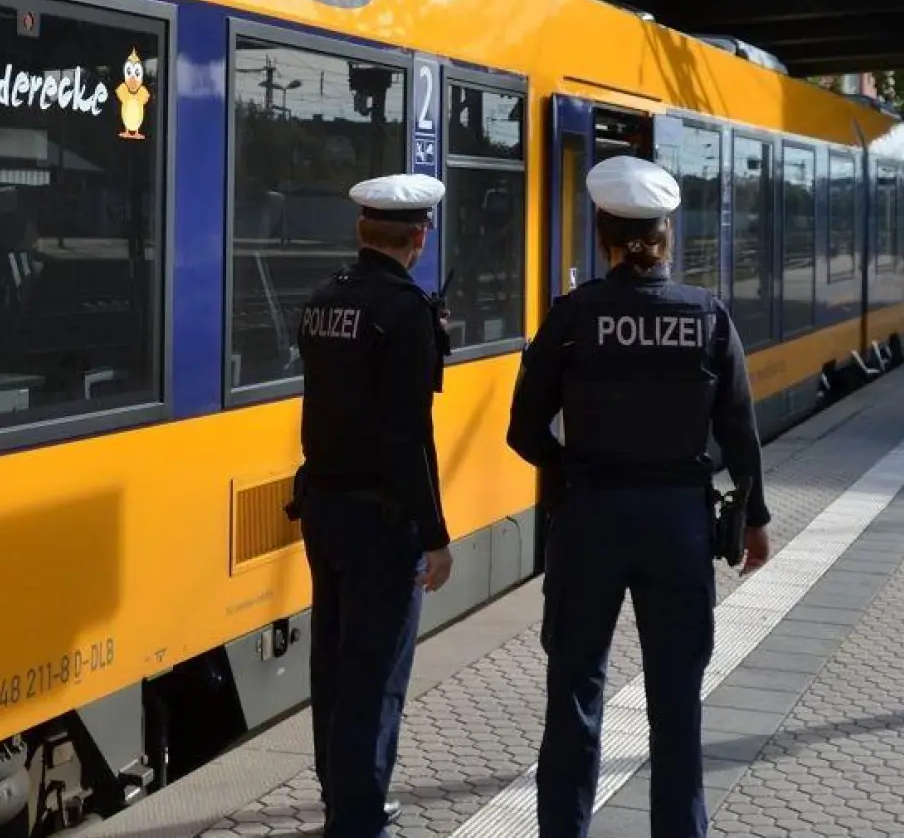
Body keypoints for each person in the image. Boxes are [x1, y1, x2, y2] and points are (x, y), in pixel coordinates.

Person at [506, 154, 773, 838]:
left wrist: (571, 470)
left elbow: (523, 430)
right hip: (679, 525)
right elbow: (738, 429)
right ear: (665, 237)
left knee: (574, 695)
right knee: (677, 704)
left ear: (602, 234)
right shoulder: (707, 316)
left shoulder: (573, 316)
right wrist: (755, 520)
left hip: (590, 520)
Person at [288, 172, 456, 838]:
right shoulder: (406, 313)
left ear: (363, 230)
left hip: (323, 507)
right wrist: (435, 533)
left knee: (332, 664)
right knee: (375, 674)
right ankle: (358, 820)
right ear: (419, 237)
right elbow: (408, 435)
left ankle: (340, 799)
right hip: (380, 520)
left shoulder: (323, 299)